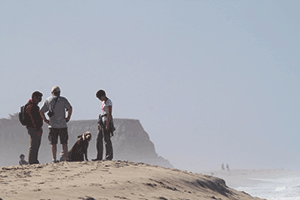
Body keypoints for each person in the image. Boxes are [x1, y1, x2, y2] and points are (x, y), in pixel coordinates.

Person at [40, 86, 72, 163]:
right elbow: (70, 108)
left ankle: (54, 159)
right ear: (59, 92)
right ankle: (66, 158)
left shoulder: (48, 100)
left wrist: (45, 120)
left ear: (52, 93)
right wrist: (68, 117)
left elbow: (41, 111)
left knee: (53, 143)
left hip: (52, 125)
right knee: (64, 143)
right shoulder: (63, 100)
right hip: (62, 124)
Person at [93, 90, 115, 161]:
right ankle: (99, 157)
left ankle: (109, 156)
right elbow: (102, 112)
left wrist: (107, 124)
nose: (100, 99)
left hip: (106, 121)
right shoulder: (103, 102)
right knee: (99, 139)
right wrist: (99, 123)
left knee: (107, 139)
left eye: (100, 98)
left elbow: (109, 114)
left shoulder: (109, 102)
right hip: (102, 121)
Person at [25, 91, 43, 164]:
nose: (40, 100)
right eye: (39, 98)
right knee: (34, 144)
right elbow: (32, 119)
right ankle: (32, 160)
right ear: (34, 98)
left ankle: (34, 159)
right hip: (34, 128)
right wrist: (37, 128)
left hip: (33, 127)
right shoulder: (31, 106)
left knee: (35, 144)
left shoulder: (30, 105)